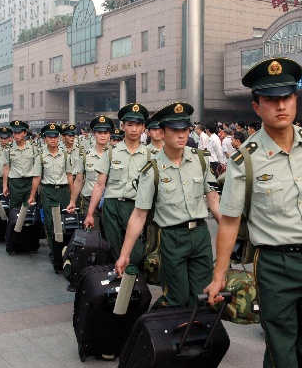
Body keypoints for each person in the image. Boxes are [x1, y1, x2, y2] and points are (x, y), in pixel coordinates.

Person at [204, 57, 302, 368]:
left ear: (295, 100)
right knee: (283, 354)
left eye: (286, 98)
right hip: (275, 266)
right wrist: (219, 276)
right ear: (257, 107)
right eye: (271, 100)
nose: (280, 106)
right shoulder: (245, 160)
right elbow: (229, 221)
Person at [115, 102, 221, 308]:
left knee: (204, 296)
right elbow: (139, 215)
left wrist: (229, 234)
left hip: (201, 235)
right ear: (162, 132)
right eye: (175, 130)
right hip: (172, 238)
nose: (182, 135)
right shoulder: (152, 169)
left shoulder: (200, 160)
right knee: (177, 298)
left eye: (185, 129)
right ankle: (159, 333)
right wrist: (124, 254)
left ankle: (195, 337)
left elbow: (214, 200)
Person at [84, 103, 149, 265]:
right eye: (130, 125)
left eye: (138, 125)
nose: (134, 129)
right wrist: (90, 213)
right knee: (114, 248)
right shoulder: (111, 153)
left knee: (136, 251)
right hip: (112, 207)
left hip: (136, 207)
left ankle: (132, 285)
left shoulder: (150, 155)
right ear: (123, 127)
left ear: (143, 128)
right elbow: (100, 186)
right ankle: (118, 287)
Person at [67, 115, 114, 232]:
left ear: (109, 135)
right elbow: (78, 181)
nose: (103, 135)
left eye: (106, 132)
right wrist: (72, 201)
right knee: (93, 235)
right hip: (88, 199)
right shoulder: (85, 155)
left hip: (110, 200)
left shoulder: (117, 155)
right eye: (99, 132)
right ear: (94, 134)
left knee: (111, 237)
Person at [34, 124, 74, 253]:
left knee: (66, 219)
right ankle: (54, 249)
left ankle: (66, 249)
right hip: (48, 191)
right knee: (50, 220)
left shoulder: (65, 155)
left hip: (63, 191)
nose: (53, 139)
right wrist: (31, 196)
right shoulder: (40, 157)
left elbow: (69, 175)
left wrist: (73, 196)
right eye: (50, 137)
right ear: (44, 138)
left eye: (55, 137)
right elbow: (37, 178)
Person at [2, 120, 40, 210]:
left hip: (30, 182)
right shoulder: (8, 148)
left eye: (19, 133)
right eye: (15, 133)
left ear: (25, 133)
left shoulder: (33, 147)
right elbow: (6, 167)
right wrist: (5, 186)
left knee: (31, 208)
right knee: (15, 209)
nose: (17, 135)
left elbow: (37, 168)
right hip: (15, 183)